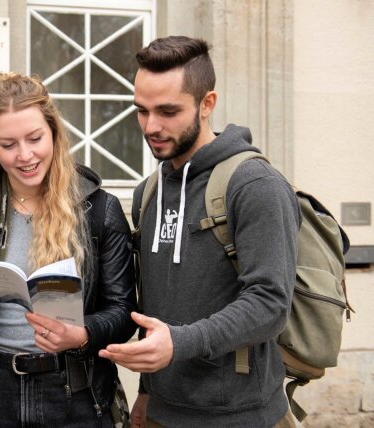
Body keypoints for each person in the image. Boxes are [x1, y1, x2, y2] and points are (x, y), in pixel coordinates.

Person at [98, 36, 300, 427]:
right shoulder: (149, 191)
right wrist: (146, 391)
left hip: (240, 416)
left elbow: (270, 304)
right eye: (141, 111)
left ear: (207, 104)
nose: (151, 126)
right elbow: (157, 306)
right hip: (162, 412)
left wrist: (180, 343)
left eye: (168, 111)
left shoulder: (255, 185)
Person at [0, 72, 137, 427]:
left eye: (35, 138)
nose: (25, 155)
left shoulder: (100, 209)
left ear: (54, 132)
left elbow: (123, 310)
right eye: (8, 145)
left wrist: (83, 334)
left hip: (74, 391)